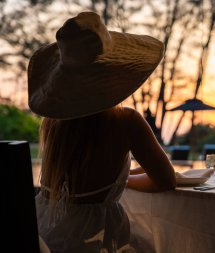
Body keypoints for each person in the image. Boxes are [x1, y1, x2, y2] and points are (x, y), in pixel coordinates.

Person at [28, 12, 176, 253]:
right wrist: (123, 182)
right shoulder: (125, 120)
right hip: (98, 239)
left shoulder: (53, 123)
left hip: (44, 233)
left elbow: (80, 185)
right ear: (115, 70)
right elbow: (166, 180)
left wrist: (119, 180)